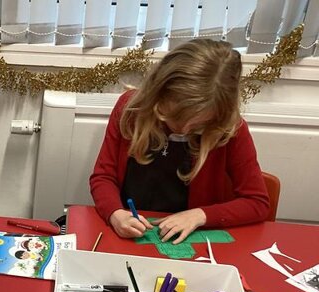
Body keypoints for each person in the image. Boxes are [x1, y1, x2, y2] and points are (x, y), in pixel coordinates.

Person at [89, 39, 270, 244]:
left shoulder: (230, 129)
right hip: (132, 234)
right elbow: (103, 177)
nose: (183, 130)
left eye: (197, 125)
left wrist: (200, 216)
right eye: (174, 118)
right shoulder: (130, 109)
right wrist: (115, 213)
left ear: (219, 115)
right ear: (158, 95)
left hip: (191, 242)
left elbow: (257, 202)